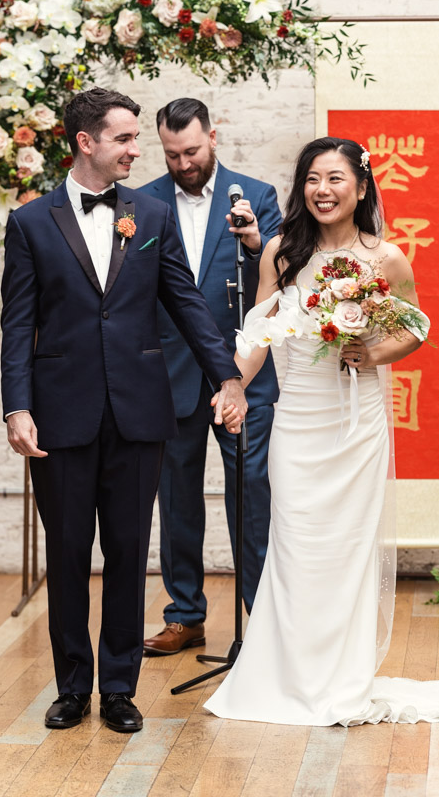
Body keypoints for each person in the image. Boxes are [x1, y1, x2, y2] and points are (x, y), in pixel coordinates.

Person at [205, 136, 439, 726]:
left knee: (347, 550)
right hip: (297, 420)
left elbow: (415, 327)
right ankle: (284, 676)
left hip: (355, 423)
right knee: (295, 545)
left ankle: (341, 680)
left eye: (335, 179)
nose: (322, 191)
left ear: (361, 186)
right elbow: (257, 333)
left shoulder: (384, 258)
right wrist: (235, 384)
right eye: (312, 180)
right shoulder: (280, 253)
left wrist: (371, 354)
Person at [1, 87, 247, 734]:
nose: (137, 151)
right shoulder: (29, 223)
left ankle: (117, 689)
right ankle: (71, 687)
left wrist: (226, 374)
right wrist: (16, 407)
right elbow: (16, 323)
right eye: (125, 139)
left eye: (138, 138)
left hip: (140, 412)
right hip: (60, 416)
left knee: (129, 555)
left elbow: (186, 303)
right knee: (67, 556)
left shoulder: (152, 215)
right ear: (86, 142)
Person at [140, 98, 282, 656]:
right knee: (175, 497)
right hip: (168, 371)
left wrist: (251, 242)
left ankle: (261, 618)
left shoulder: (258, 195)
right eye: (171, 154)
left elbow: (284, 270)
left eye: (192, 150)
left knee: (251, 493)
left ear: (214, 137)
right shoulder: (142, 200)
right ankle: (185, 615)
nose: (183, 163)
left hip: (243, 370)